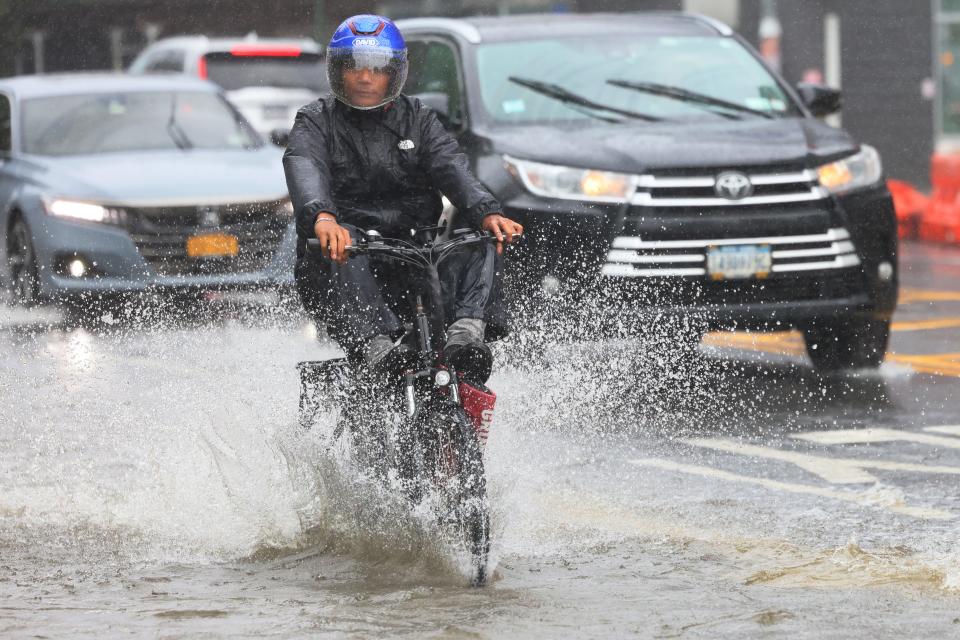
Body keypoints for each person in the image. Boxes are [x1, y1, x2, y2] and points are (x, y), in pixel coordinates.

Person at [283, 14, 523, 383]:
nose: (365, 77)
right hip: (342, 261)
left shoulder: (419, 118)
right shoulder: (315, 120)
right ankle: (377, 347)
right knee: (346, 239)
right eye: (354, 68)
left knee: (481, 239)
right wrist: (324, 219)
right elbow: (305, 167)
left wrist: (486, 210)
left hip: (414, 256)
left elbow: (451, 166)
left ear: (394, 73)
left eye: (377, 69)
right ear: (337, 71)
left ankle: (466, 336)